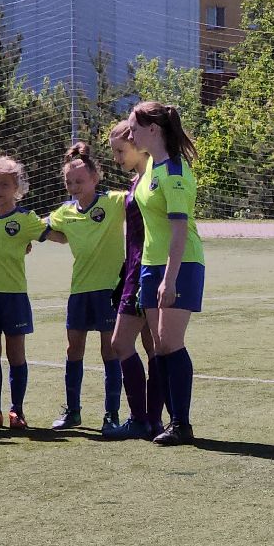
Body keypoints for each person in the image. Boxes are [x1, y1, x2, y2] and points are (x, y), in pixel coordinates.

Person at [128, 101, 204, 446]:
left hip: (180, 264)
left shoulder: (173, 173)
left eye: (135, 127)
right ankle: (169, 421)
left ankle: (181, 423)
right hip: (151, 265)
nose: (131, 134)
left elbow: (178, 231)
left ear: (153, 129)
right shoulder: (150, 170)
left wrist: (169, 279)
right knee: (159, 344)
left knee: (171, 342)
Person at [41, 142, 129, 431]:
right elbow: (43, 227)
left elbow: (142, 199)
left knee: (110, 351)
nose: (75, 186)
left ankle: (111, 415)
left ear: (95, 178)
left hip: (109, 289)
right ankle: (73, 413)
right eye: (69, 182)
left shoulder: (114, 203)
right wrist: (27, 237)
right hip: (80, 290)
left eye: (80, 180)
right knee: (73, 349)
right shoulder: (65, 212)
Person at [0, 155, 46, 430]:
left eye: (4, 184)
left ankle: (17, 410)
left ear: (17, 188)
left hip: (14, 296)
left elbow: (55, 233)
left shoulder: (27, 219)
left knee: (16, 355)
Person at [103, 118, 164, 439]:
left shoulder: (154, 176)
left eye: (120, 150)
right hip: (136, 270)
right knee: (152, 346)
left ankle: (143, 418)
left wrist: (140, 275)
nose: (116, 158)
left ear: (138, 143)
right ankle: (152, 420)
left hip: (147, 271)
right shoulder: (139, 179)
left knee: (120, 342)